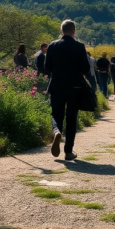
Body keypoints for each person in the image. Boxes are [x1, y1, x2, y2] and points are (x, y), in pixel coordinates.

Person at [45, 19, 90, 161]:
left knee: (56, 114)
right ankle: (68, 152)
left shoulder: (52, 46)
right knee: (71, 117)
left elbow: (47, 67)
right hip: (75, 87)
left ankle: (57, 132)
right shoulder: (79, 46)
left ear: (61, 31)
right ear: (74, 31)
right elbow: (86, 68)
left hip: (57, 85)